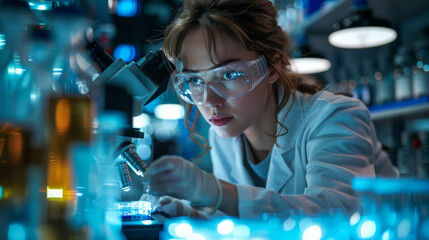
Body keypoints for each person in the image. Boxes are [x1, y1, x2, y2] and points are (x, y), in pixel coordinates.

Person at [141, 0, 398, 218]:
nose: (210, 101)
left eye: (229, 74)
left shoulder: (335, 116)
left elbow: (338, 213)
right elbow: (245, 221)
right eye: (196, 80)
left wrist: (216, 192)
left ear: (273, 67)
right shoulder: (225, 134)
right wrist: (193, 216)